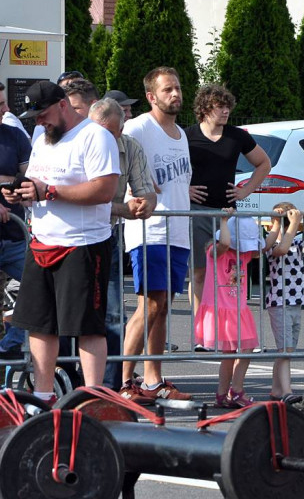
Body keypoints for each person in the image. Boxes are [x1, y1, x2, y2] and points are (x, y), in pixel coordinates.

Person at [3, 81, 119, 402]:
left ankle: (93, 399)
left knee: (88, 328)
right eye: (34, 116)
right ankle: (42, 396)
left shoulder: (95, 136)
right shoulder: (41, 139)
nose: (39, 121)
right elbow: (38, 188)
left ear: (64, 105)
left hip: (83, 245)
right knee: (40, 325)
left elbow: (104, 190)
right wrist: (22, 193)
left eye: (43, 114)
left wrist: (50, 191)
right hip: (42, 243)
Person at [121, 67, 194, 403]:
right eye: (167, 90)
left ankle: (153, 380)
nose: (175, 94)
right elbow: (113, 163)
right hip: (148, 228)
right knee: (149, 306)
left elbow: (178, 182)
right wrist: (135, 188)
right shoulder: (137, 127)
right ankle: (124, 380)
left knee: (163, 307)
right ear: (151, 96)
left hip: (178, 230)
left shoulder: (180, 132)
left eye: (177, 88)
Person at [88, 98, 156, 390]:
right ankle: (69, 384)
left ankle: (112, 386)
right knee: (69, 314)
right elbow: (86, 199)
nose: (108, 138)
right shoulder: (78, 143)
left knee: (114, 314)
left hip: (110, 235)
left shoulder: (130, 146)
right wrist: (122, 208)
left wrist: (144, 205)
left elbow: (147, 192)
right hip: (75, 240)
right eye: (103, 131)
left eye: (113, 133)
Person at [186, 84, 270, 319]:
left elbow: (264, 164)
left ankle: (226, 324)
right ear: (205, 108)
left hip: (228, 213)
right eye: (219, 106)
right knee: (200, 272)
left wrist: (246, 191)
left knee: (229, 271)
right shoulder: (187, 135)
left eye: (227, 107)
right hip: (197, 212)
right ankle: (200, 328)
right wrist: (185, 190)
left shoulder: (237, 136)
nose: (225, 111)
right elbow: (171, 172)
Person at [195, 213, 260, 408]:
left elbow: (261, 248)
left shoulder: (244, 254)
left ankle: (223, 394)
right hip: (223, 309)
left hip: (237, 309)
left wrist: (275, 225)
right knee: (241, 350)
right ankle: (236, 390)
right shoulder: (215, 252)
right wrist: (224, 222)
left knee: (233, 352)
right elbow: (224, 243)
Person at [264, 202, 304, 403]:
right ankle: (286, 391)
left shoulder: (296, 243)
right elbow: (282, 249)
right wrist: (292, 223)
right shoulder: (271, 243)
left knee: (287, 350)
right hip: (280, 301)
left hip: (296, 301)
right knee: (284, 349)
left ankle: (276, 389)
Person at [0, 97, 32, 360]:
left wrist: (10, 181)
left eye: (4, 103)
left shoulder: (15, 137)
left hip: (14, 237)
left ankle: (11, 341)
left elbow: (27, 179)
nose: (5, 109)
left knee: (40, 283)